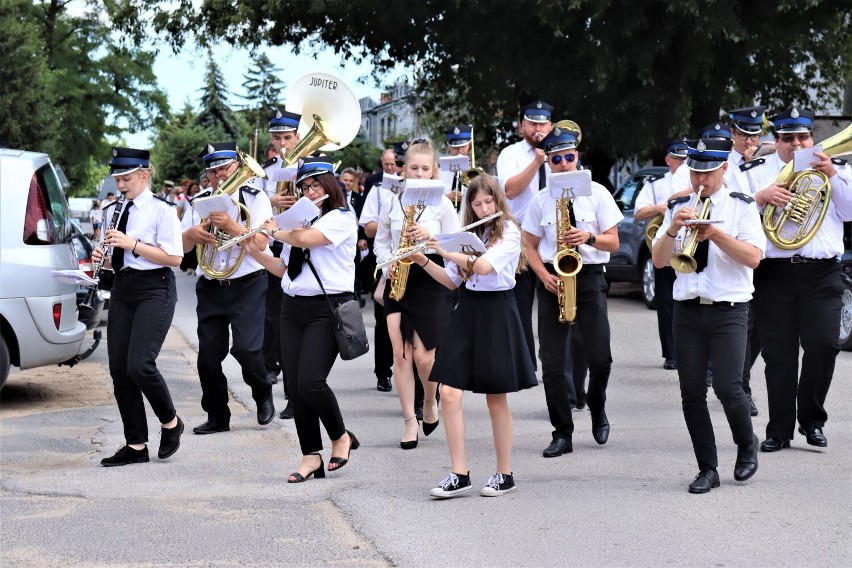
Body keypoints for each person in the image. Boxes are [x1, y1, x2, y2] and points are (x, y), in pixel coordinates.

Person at [409, 174, 537, 498]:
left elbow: (483, 268)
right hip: (467, 310)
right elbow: (451, 281)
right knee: (449, 393)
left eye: (488, 202)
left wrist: (442, 245)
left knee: (496, 397)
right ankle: (459, 472)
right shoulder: (467, 233)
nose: (482, 208)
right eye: (476, 203)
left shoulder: (509, 231)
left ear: (497, 201)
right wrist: (423, 259)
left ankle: (504, 474)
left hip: (497, 311)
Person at [735, 107, 852, 452]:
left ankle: (812, 420)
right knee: (779, 355)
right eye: (788, 139)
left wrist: (831, 174)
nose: (796, 144)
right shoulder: (756, 172)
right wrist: (760, 199)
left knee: (824, 346)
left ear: (812, 139)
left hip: (822, 273)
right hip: (775, 273)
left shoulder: (839, 169)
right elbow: (735, 212)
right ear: (777, 141)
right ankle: (779, 430)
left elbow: (849, 212)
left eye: (803, 137)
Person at [651, 137, 764, 493]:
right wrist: (673, 228)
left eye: (709, 173)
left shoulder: (741, 206)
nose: (701, 180)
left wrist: (713, 233)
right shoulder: (680, 205)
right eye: (696, 173)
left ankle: (747, 445)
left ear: (724, 170)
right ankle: (708, 467)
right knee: (691, 393)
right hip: (687, 309)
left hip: (729, 308)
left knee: (729, 387)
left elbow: (753, 257)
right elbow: (658, 260)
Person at [243, 156, 359, 482]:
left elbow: (308, 240)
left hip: (327, 307)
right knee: (294, 388)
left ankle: (341, 436)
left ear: (330, 185)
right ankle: (310, 456)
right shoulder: (297, 224)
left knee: (311, 382)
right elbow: (284, 269)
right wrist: (253, 250)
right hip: (292, 308)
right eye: (305, 186)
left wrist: (277, 229)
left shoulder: (341, 218)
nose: (309, 191)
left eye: (316, 185)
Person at [521, 124, 622, 457]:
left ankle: (597, 403)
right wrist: (541, 275)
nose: (563, 164)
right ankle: (562, 432)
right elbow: (529, 246)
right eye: (556, 160)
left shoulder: (598, 192)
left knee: (600, 357)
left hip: (589, 275)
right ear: (548, 163)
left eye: (568, 157)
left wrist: (588, 238)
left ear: (577, 157)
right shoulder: (540, 200)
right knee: (550, 362)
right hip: (553, 278)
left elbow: (614, 242)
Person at [94, 147, 185, 467]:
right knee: (119, 370)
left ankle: (171, 422)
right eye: (117, 179)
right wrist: (101, 258)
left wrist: (131, 244)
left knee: (140, 364)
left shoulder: (163, 210)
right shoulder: (111, 209)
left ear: (144, 175)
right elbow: (112, 255)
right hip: (122, 288)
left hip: (155, 289)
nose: (120, 185)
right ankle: (135, 444)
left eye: (127, 179)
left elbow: (175, 258)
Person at [180, 141, 276, 434]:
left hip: (248, 282)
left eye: (225, 169)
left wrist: (233, 226)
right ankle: (218, 415)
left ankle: (262, 392)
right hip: (211, 284)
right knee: (208, 356)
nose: (220, 176)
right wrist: (192, 233)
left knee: (247, 349)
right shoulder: (200, 201)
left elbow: (260, 244)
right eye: (213, 171)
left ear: (237, 167)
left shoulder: (256, 198)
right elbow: (180, 248)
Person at [374, 138, 461, 449]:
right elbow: (380, 242)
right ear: (404, 169)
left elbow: (455, 243)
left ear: (434, 170)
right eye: (414, 168)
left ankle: (429, 400)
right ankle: (409, 421)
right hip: (399, 276)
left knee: (425, 359)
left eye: (426, 168)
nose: (420, 173)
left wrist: (431, 236)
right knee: (401, 354)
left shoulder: (444, 204)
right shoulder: (392, 201)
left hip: (431, 278)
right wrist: (387, 268)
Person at [496, 99, 555, 370]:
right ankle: (525, 363)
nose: (538, 129)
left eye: (543, 124)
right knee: (520, 302)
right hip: (520, 237)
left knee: (552, 302)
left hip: (551, 237)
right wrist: (538, 161)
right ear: (523, 125)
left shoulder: (561, 152)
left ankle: (552, 359)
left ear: (551, 125)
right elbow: (509, 190)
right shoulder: (511, 154)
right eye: (532, 123)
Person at [257, 108, 303, 419]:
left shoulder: (311, 167)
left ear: (298, 137)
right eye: (278, 138)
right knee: (276, 320)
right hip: (274, 250)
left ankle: (299, 393)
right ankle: (284, 387)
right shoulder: (264, 172)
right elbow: (253, 204)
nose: (283, 144)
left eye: (288, 137)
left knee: (299, 326)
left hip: (301, 247)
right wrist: (271, 201)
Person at [726, 105, 768, 416]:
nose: (749, 141)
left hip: (773, 252)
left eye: (754, 135)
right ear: (733, 133)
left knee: (764, 329)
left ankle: (736, 378)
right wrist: (762, 194)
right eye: (743, 135)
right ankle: (742, 387)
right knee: (748, 325)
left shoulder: (768, 163)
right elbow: (730, 205)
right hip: (740, 250)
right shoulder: (724, 165)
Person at [634, 138, 689, 370]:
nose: (683, 162)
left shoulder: (695, 180)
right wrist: (663, 207)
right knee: (666, 301)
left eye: (686, 158)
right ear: (668, 160)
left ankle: (691, 351)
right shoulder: (656, 185)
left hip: (689, 247)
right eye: (678, 158)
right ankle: (671, 353)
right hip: (665, 246)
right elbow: (639, 212)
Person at [359, 148, 404, 394]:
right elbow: (368, 228)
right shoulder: (379, 190)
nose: (394, 167)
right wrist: (385, 219)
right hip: (388, 262)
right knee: (385, 320)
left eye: (398, 163)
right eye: (390, 163)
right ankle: (383, 372)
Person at [444, 125, 473, 209]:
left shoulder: (477, 172)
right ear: (449, 146)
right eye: (455, 147)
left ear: (469, 146)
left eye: (463, 146)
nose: (460, 151)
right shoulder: (439, 172)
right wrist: (445, 198)